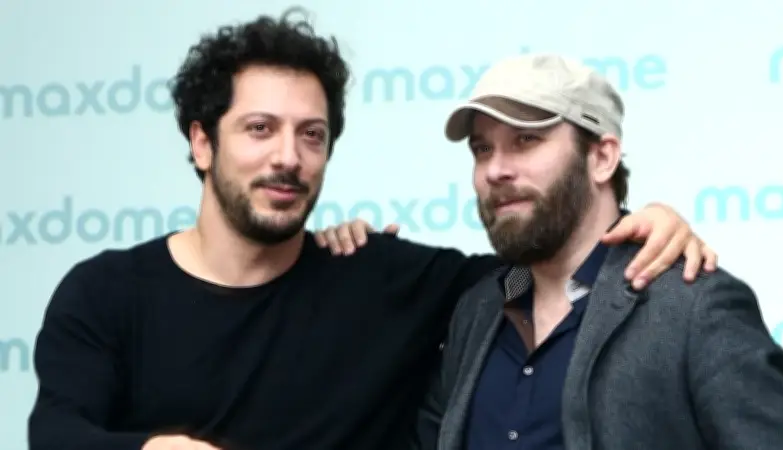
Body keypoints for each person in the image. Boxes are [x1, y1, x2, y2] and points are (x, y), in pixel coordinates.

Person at [27, 10, 717, 450]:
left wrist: (642, 221)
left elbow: (552, 260)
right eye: (259, 129)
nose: (288, 157)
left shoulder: (380, 277)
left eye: (312, 134)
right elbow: (55, 431)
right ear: (202, 142)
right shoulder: (106, 293)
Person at [399, 53, 783, 450]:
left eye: (526, 140)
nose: (495, 170)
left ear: (603, 158)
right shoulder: (478, 309)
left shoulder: (694, 307)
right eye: (482, 149)